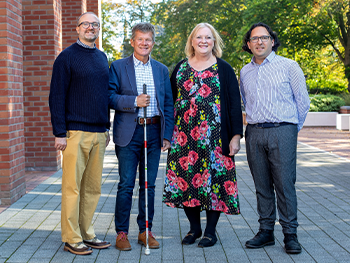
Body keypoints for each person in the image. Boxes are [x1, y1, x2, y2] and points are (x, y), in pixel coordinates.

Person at [162, 23, 243, 248]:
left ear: (214, 41)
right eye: (199, 37)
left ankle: (210, 231)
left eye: (208, 37)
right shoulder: (180, 68)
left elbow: (235, 104)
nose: (203, 41)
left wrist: (236, 136)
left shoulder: (224, 69)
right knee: (187, 182)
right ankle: (194, 228)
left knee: (214, 182)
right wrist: (166, 134)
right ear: (192, 41)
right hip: (183, 139)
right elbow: (170, 102)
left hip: (216, 138)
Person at [240, 22, 310, 254]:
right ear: (248, 45)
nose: (259, 42)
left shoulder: (289, 66)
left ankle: (290, 234)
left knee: (284, 184)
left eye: (264, 37)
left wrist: (290, 129)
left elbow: (302, 102)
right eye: (254, 39)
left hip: (283, 130)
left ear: (272, 40)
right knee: (262, 185)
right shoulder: (244, 71)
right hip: (254, 132)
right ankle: (266, 232)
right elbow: (245, 102)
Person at [49, 12, 111, 255]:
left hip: (98, 132)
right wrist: (59, 132)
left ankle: (87, 233)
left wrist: (106, 127)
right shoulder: (66, 57)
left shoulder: (101, 57)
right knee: (72, 188)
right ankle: (71, 237)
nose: (91, 28)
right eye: (86, 24)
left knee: (92, 188)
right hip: (74, 133)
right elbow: (56, 96)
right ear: (77, 28)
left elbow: (103, 95)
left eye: (95, 24)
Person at [108, 22, 174, 251]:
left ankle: (145, 230)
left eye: (148, 40)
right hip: (129, 132)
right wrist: (133, 101)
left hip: (154, 131)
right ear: (132, 42)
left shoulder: (161, 69)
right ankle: (122, 233)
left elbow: (168, 103)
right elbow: (110, 97)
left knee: (149, 185)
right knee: (126, 184)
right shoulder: (117, 67)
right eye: (140, 39)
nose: (144, 43)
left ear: (153, 43)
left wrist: (167, 135)